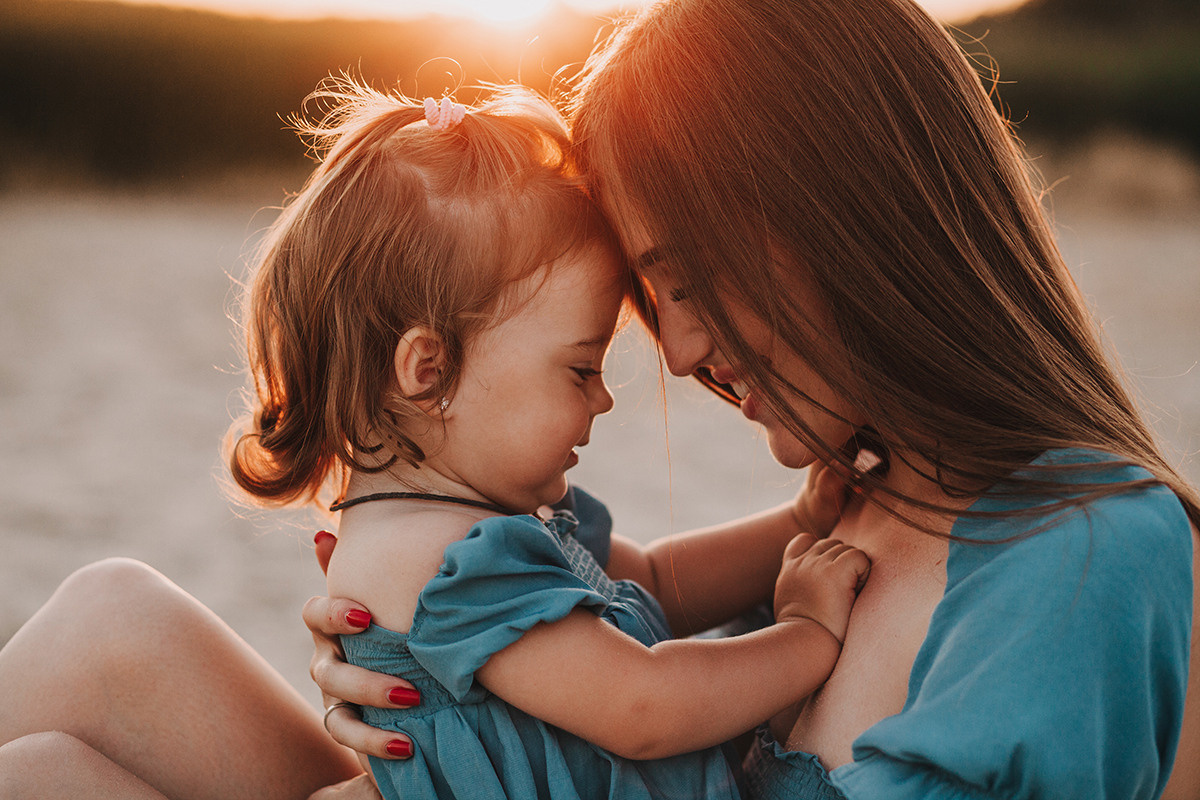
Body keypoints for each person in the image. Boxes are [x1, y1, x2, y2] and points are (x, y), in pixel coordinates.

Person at [308, 0, 1200, 798]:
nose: (683, 350)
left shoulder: (1089, 553)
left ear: (848, 215)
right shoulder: (861, 497)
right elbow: (646, 650)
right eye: (657, 301)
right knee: (155, 634)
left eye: (692, 280)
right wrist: (428, 705)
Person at [0, 79, 868, 799]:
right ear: (429, 370)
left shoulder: (474, 528)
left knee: (51, 739)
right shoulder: (446, 562)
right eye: (577, 369)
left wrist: (796, 523)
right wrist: (805, 634)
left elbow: (651, 583)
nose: (604, 400)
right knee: (38, 774)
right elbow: (641, 708)